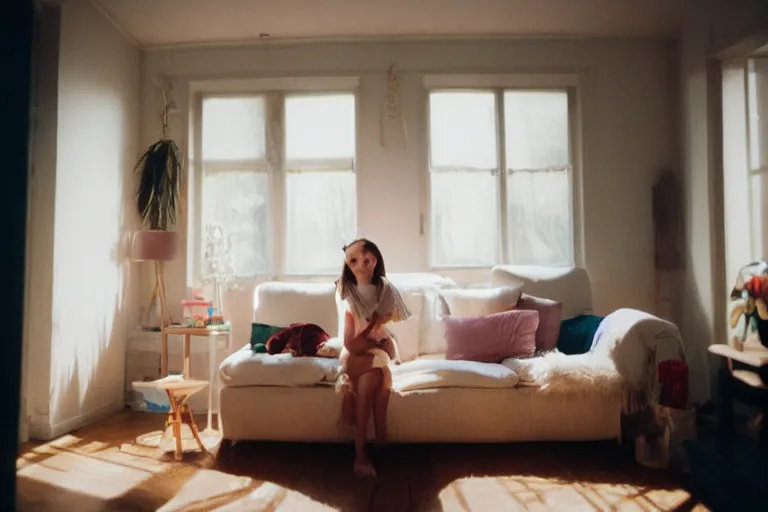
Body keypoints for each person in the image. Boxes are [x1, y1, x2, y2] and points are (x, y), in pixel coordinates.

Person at [335, 238, 410, 478]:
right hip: (354, 355)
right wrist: (371, 330)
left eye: (366, 260)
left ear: (374, 261)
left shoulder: (383, 292)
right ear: (348, 263)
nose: (359, 267)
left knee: (378, 376)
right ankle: (361, 453)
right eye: (353, 261)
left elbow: (388, 347)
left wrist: (381, 337)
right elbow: (351, 344)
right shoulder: (349, 297)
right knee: (370, 377)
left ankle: (379, 442)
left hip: (375, 356)